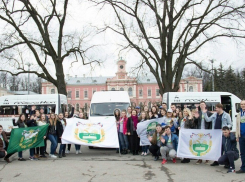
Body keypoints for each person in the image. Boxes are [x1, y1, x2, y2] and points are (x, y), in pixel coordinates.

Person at [236, 100, 245, 174]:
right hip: (241, 136)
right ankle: (243, 167)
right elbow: (237, 126)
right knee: (242, 153)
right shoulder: (239, 114)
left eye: (244, 104)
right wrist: (237, 136)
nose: (243, 105)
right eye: (241, 104)